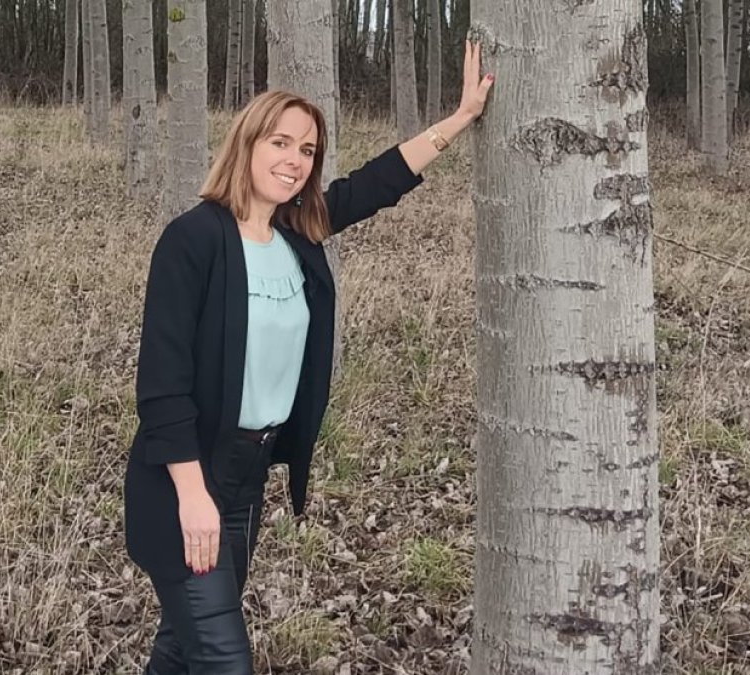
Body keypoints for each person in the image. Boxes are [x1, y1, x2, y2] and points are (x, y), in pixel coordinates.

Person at [124, 41, 495, 675]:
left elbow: (378, 183)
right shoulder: (192, 240)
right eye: (281, 142)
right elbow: (162, 384)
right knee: (221, 658)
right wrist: (192, 496)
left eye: (308, 150)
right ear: (246, 143)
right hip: (183, 482)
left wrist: (460, 118)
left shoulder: (297, 235)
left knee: (182, 646)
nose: (295, 160)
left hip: (247, 477)